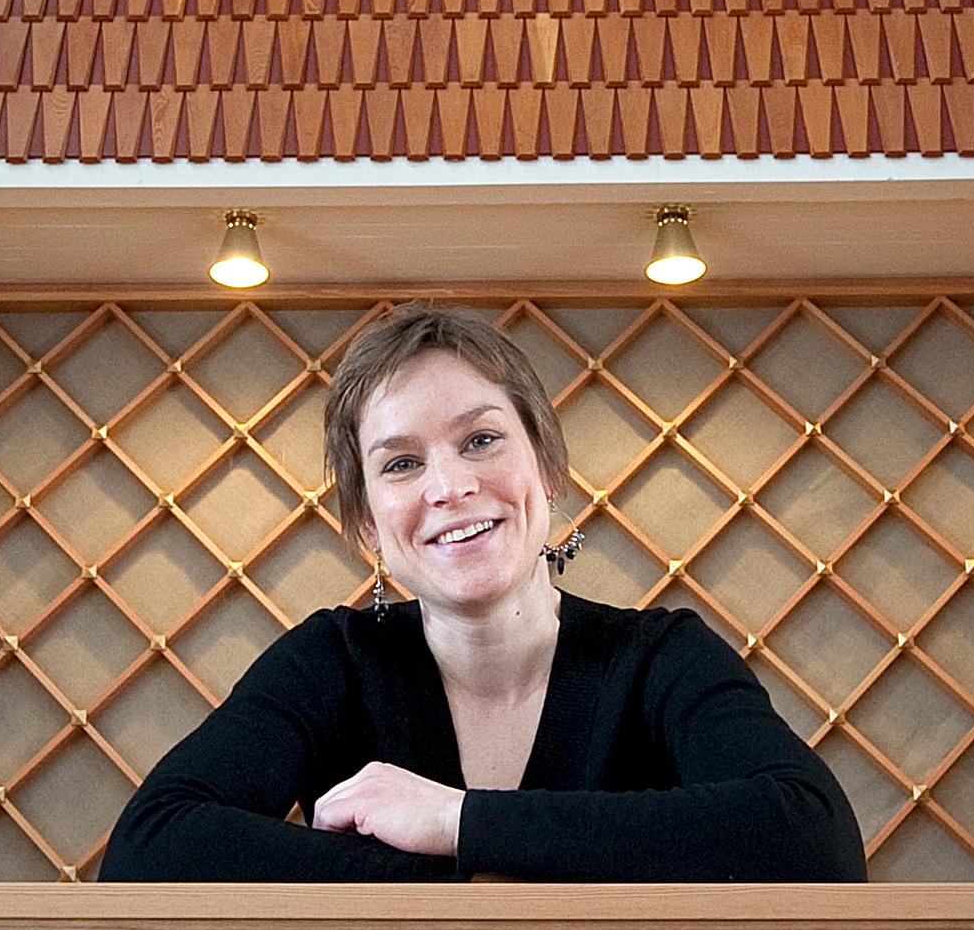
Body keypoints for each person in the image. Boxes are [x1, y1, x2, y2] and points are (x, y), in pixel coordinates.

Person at [101, 304, 867, 881]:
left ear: (549, 470)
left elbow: (814, 839)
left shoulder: (662, 656)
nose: (451, 486)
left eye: (481, 440)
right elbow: (151, 847)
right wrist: (469, 878)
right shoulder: (330, 658)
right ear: (368, 522)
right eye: (400, 464)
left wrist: (455, 821)